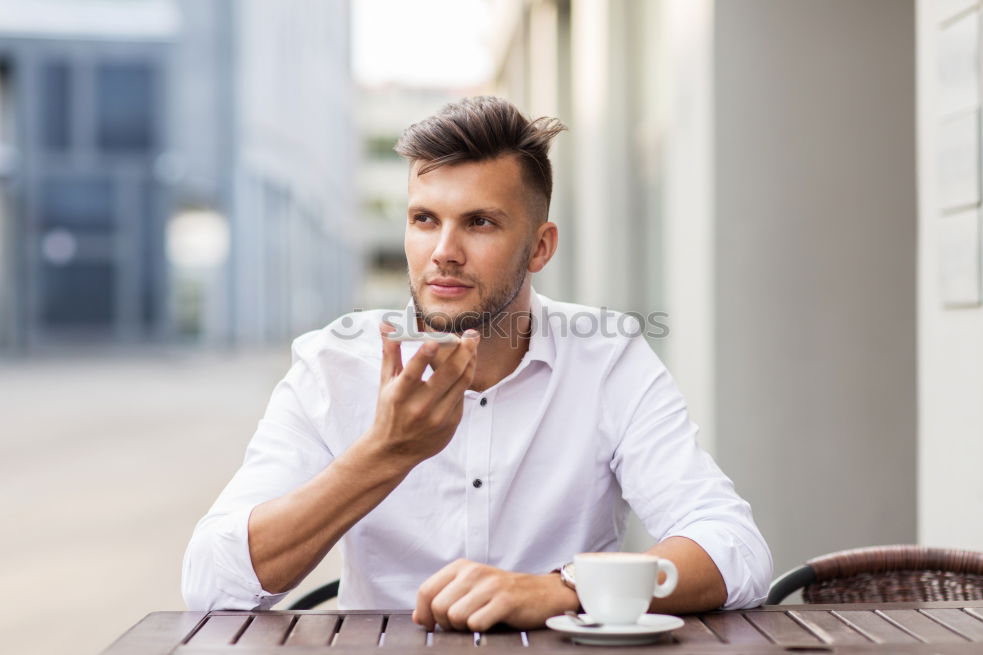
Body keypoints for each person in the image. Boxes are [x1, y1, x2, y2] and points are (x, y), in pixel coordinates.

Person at [182, 96, 772, 631]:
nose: (443, 252)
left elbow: (735, 549)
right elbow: (211, 588)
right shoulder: (332, 364)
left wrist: (559, 591)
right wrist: (383, 455)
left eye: (479, 222)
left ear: (539, 247)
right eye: (424, 220)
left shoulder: (607, 357)